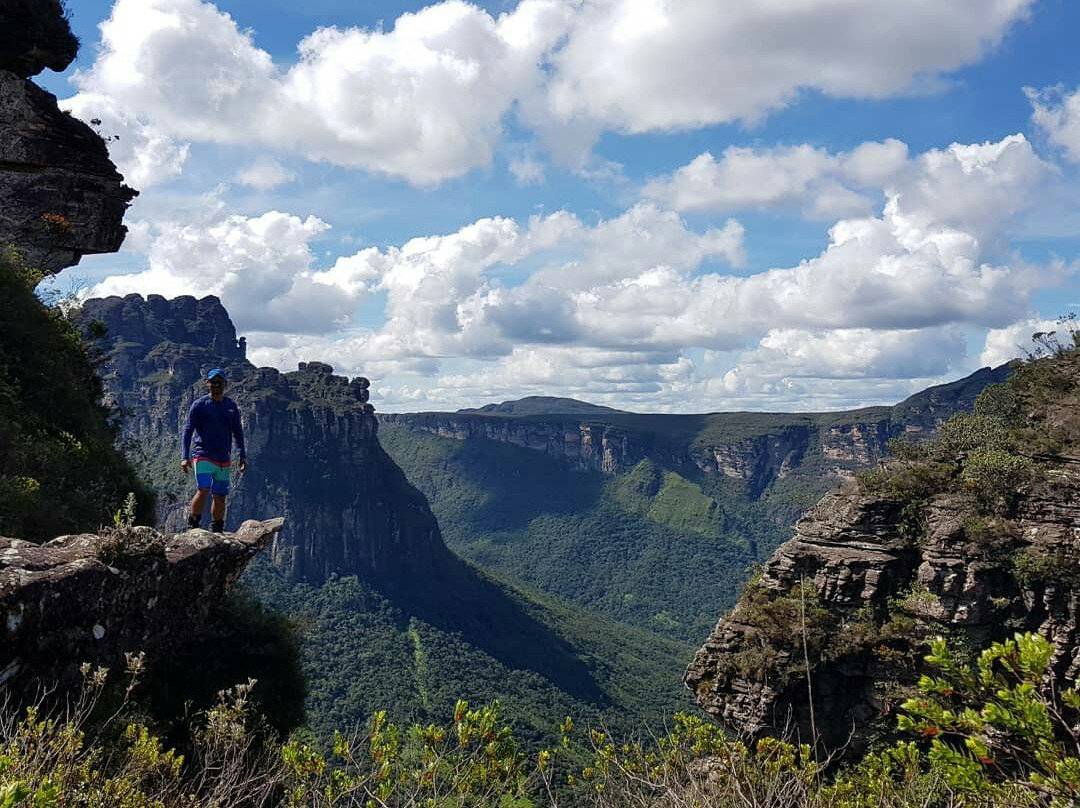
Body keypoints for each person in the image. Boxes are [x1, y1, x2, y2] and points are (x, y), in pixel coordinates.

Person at [180, 368, 248, 532]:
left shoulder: (231, 406)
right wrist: (184, 456)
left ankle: (217, 528)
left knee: (220, 495)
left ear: (225, 384)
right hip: (203, 454)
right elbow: (188, 430)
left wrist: (242, 455)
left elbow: (237, 431)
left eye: (219, 382)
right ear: (208, 384)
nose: (216, 385)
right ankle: (193, 524)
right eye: (213, 382)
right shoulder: (199, 405)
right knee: (204, 489)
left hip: (223, 458)